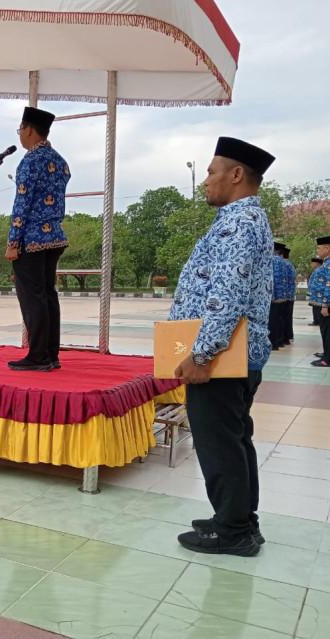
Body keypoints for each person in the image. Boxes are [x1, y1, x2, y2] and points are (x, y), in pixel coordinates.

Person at [169, 137, 275, 557]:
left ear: (235, 175)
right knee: (236, 439)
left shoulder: (238, 223)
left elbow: (226, 296)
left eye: (212, 172)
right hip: (238, 355)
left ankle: (232, 531)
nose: (206, 181)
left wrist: (202, 354)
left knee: (220, 443)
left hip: (221, 359)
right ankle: (240, 520)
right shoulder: (248, 219)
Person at [5, 106, 71, 372]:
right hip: (54, 237)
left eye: (20, 129)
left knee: (32, 298)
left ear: (29, 129)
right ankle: (50, 354)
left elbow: (22, 204)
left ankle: (38, 355)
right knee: (47, 296)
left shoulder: (30, 162)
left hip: (31, 239)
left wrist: (13, 241)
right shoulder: (60, 161)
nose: (20, 134)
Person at [309, 237, 330, 367]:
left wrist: (325, 304)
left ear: (327, 248)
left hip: (325, 304)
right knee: (325, 331)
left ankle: (327, 359)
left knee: (327, 331)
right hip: (322, 302)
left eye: (319, 248)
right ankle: (327, 353)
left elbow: (329, 285)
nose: (317, 250)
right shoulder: (326, 262)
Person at [269, 242, 288, 350]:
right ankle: (279, 341)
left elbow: (274, 279)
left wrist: (273, 296)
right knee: (280, 320)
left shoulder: (273, 260)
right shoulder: (284, 262)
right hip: (282, 295)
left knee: (273, 321)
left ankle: (273, 343)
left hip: (275, 296)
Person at [282, 247, 296, 345]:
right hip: (290, 295)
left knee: (281, 319)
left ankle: (284, 338)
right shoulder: (290, 265)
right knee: (287, 317)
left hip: (283, 296)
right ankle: (288, 336)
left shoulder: (283, 264)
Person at [308, 257, 323, 326]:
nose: (312, 264)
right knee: (315, 308)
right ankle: (316, 320)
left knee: (317, 308)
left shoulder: (319, 270)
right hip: (314, 293)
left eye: (313, 263)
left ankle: (318, 321)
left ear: (317, 263)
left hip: (317, 293)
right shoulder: (316, 270)